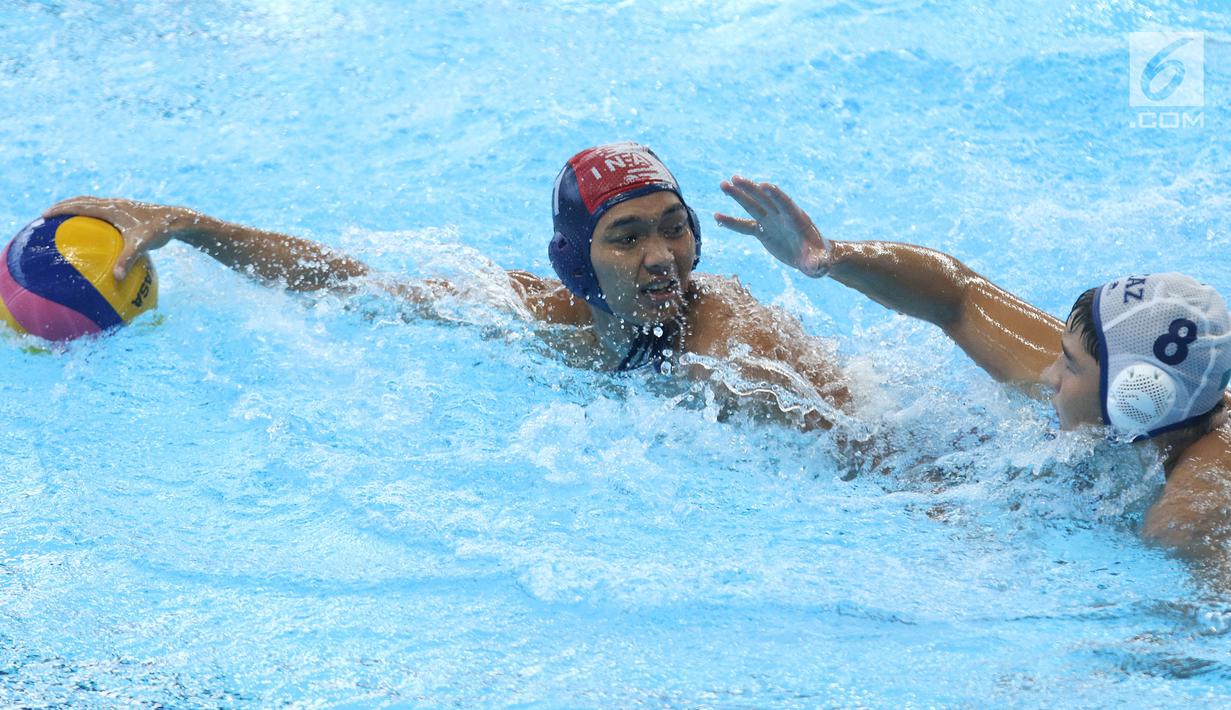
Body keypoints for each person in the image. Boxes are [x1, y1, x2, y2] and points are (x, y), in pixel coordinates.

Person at [42, 143, 848, 428]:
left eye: (674, 226)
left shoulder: (737, 353)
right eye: (627, 237)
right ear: (578, 262)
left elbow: (872, 453)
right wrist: (191, 225)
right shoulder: (539, 314)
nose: (662, 255)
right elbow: (349, 284)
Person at [716, 175, 1231, 563]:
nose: (1049, 376)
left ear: (1135, 397)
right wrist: (831, 257)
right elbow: (958, 296)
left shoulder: (1192, 515)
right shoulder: (1169, 393)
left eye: (1069, 364)